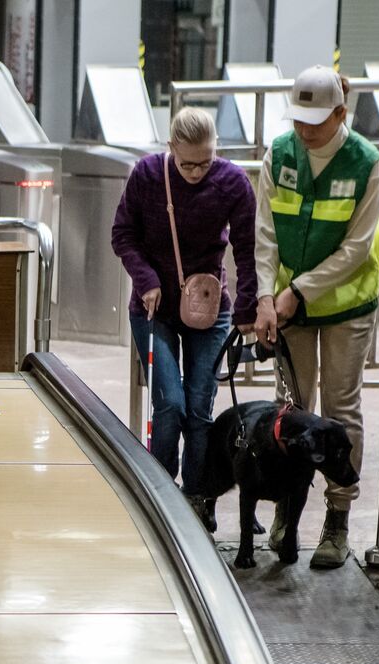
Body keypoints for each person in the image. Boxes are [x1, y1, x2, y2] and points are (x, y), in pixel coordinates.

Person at [253, 66, 379, 569]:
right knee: (289, 408)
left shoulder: (366, 163)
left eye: (316, 121)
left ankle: (337, 518)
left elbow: (357, 248)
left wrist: (299, 292)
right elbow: (264, 233)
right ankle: (288, 507)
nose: (304, 131)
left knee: (339, 407)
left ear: (340, 113)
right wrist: (267, 296)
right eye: (299, 120)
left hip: (344, 307)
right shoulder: (279, 153)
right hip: (288, 305)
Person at [111, 106, 258, 529]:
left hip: (209, 308)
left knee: (199, 407)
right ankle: (158, 492)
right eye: (187, 162)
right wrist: (146, 278)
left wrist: (247, 309)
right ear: (171, 147)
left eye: (205, 161)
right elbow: (123, 234)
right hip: (153, 307)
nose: (196, 171)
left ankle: (196, 496)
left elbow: (246, 251)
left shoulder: (232, 182)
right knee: (170, 405)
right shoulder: (147, 175)